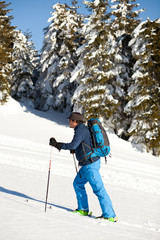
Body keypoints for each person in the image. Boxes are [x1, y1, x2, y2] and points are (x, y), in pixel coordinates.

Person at [49, 112, 117, 222]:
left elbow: (73, 144)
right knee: (78, 183)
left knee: (99, 189)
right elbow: (84, 144)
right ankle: (83, 209)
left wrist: (57, 144)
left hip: (90, 165)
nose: (69, 122)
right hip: (87, 165)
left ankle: (109, 215)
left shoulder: (81, 130)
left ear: (74, 121)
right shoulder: (81, 129)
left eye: (70, 120)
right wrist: (76, 150)